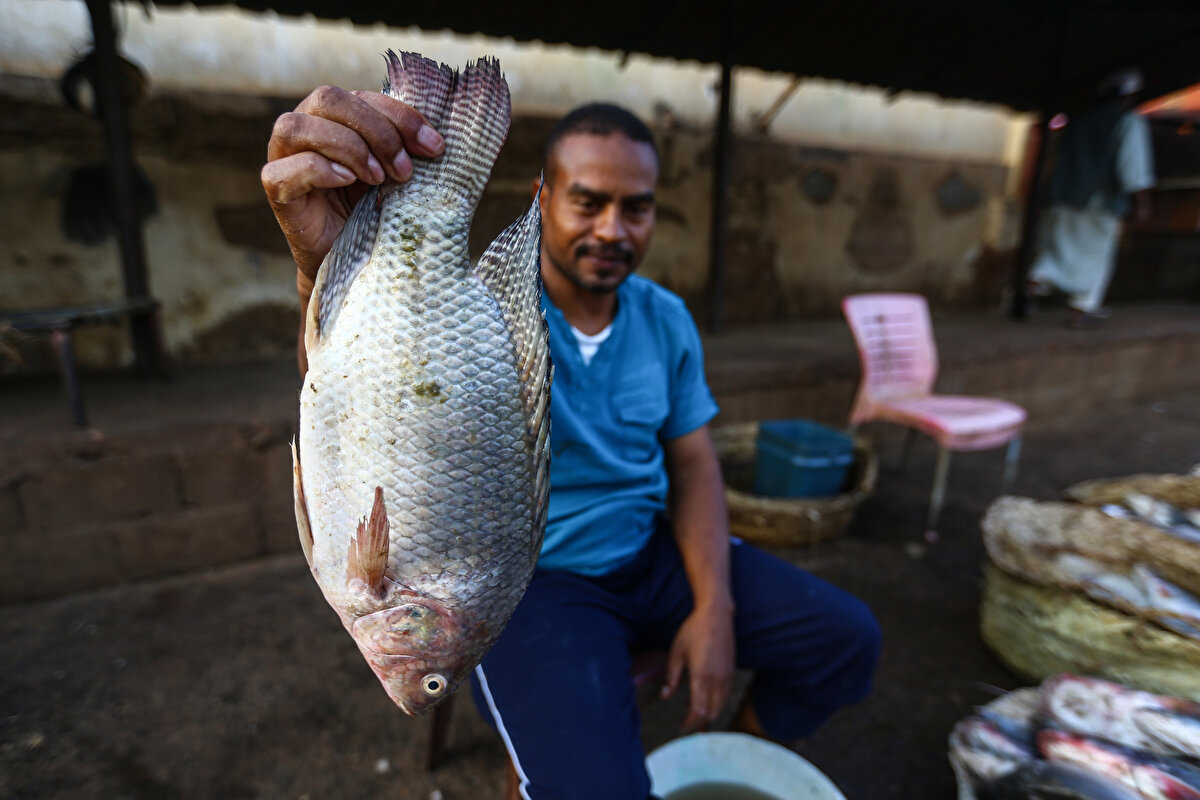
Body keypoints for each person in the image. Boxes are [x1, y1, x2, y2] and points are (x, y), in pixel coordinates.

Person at [263, 82, 880, 800]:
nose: (613, 229)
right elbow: (355, 408)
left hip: (649, 552)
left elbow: (694, 465)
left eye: (636, 207)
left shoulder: (666, 318)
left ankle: (733, 753)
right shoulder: (463, 315)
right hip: (527, 588)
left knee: (848, 640)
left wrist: (715, 608)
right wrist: (322, 274)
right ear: (544, 197)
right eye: (588, 202)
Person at [1027, 68, 1156, 328]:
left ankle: (1025, 294)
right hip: (1097, 202)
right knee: (1096, 258)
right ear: (1128, 97)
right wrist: (1141, 202)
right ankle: (1081, 311)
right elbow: (1133, 168)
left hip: (1062, 198)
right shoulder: (1128, 122)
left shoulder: (1078, 120)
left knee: (1054, 252)